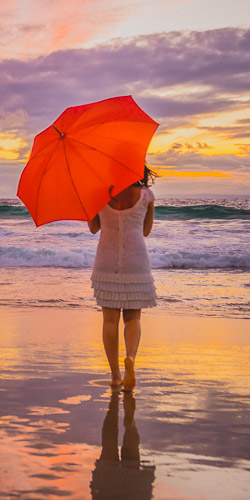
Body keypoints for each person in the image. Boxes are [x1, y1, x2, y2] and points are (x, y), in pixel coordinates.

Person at [88, 167, 157, 391]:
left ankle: (115, 376)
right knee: (133, 318)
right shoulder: (146, 195)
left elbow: (93, 228)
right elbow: (146, 231)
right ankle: (131, 358)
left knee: (109, 321)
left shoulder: (97, 193)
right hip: (136, 259)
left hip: (106, 258)